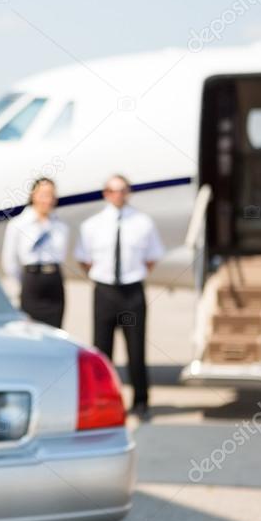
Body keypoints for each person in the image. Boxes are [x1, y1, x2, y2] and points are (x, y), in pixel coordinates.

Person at [75, 174, 164, 420]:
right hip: (104, 291)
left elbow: (153, 255)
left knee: (136, 350)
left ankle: (141, 402)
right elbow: (83, 258)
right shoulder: (92, 225)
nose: (118, 195)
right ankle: (103, 402)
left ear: (128, 192)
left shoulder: (143, 223)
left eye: (123, 190)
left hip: (132, 291)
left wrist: (134, 275)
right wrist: (101, 278)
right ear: (105, 193)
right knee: (102, 352)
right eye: (113, 191)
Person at [1, 177, 70, 327]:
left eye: (52, 195)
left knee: (55, 329)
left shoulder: (60, 226)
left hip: (54, 282)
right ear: (33, 195)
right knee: (30, 329)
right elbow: (9, 261)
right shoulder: (18, 225)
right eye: (44, 194)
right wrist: (25, 281)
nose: (48, 200)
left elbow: (61, 256)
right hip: (31, 282)